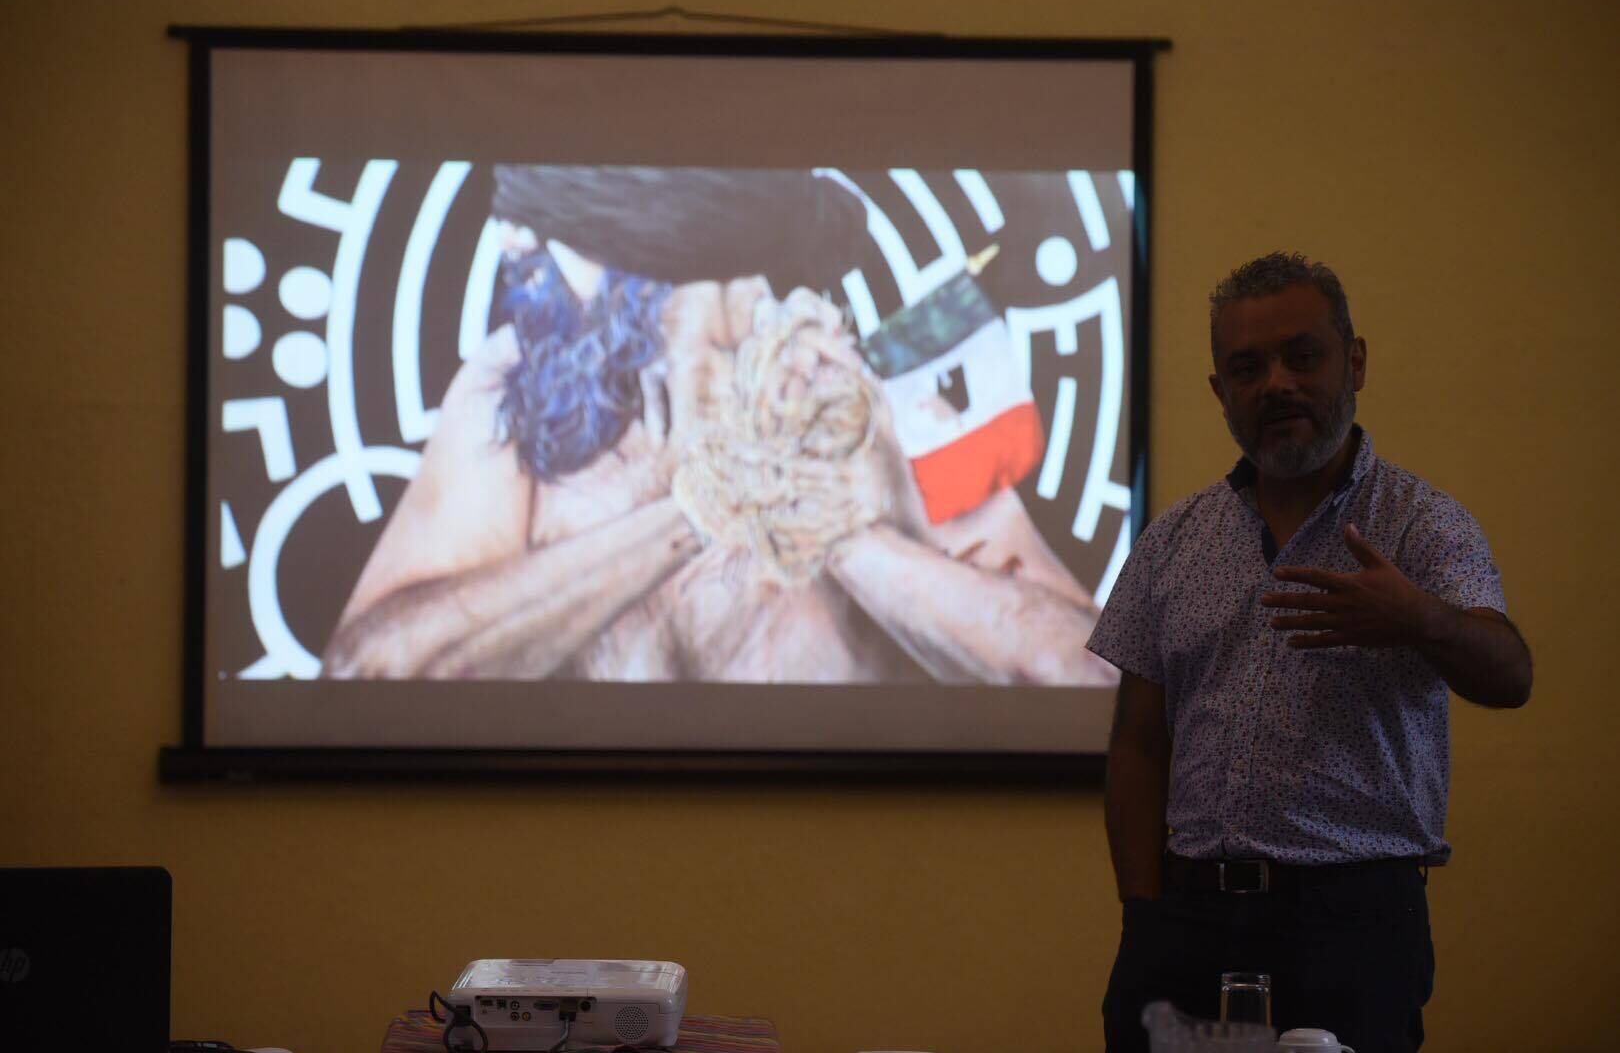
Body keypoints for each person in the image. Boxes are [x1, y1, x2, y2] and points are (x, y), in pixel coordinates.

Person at [322, 165, 1114, 685]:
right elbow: (371, 676)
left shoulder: (874, 404)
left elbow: (1092, 684)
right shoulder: (518, 397)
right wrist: (694, 513)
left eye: (558, 228)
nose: (515, 246)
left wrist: (832, 529)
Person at [1088, 252, 1533, 1052]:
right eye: (1247, 368)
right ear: (1220, 391)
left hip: (1351, 923)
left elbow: (1512, 674)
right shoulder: (1173, 539)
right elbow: (1138, 744)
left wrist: (1421, 620)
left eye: (1302, 357)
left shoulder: (1422, 523)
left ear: (1354, 361)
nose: (1277, 385)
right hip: (1188, 919)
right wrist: (1143, 915)